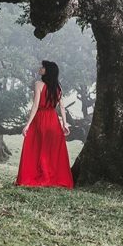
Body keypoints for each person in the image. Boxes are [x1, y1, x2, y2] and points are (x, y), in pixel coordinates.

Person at [15, 60, 74, 188]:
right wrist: (65, 124)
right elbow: (62, 107)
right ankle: (49, 177)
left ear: (47, 71)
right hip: (53, 120)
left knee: (35, 148)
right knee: (49, 151)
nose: (40, 68)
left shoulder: (38, 84)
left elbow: (35, 106)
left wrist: (28, 124)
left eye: (43, 67)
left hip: (40, 119)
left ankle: (34, 176)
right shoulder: (58, 88)